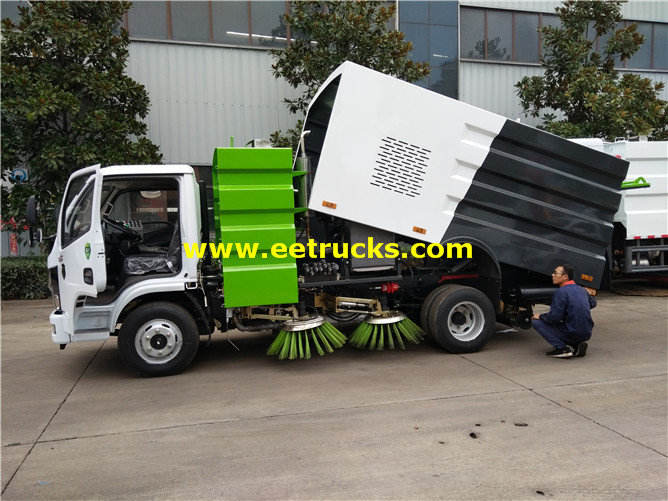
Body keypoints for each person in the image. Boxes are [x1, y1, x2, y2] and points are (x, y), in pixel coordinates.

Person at [531, 264, 594, 358]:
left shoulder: (561, 292)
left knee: (536, 321)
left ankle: (562, 349)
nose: (552, 275)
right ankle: (576, 345)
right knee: (566, 320)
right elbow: (593, 303)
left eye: (556, 273)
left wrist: (540, 316)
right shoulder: (582, 289)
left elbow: (554, 318)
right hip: (587, 332)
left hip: (573, 332)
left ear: (565, 277)